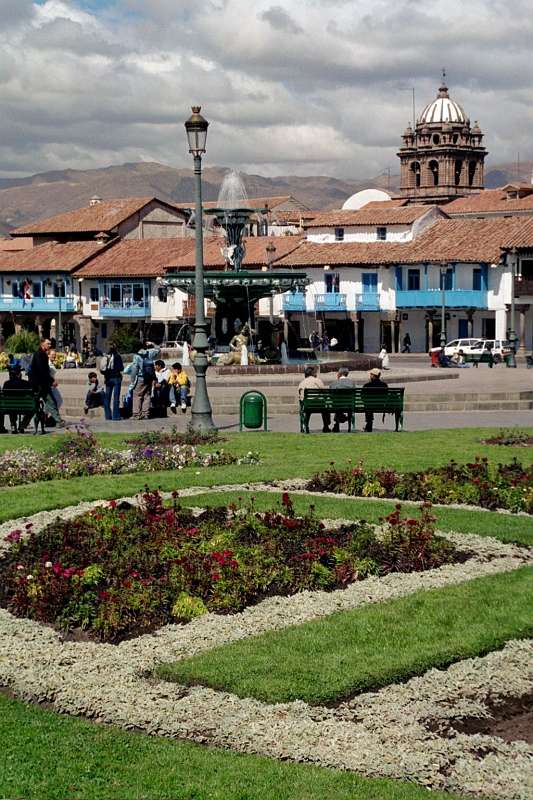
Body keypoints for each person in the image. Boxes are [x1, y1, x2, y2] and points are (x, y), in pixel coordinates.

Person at [28, 338, 65, 428]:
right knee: (51, 402)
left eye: (50, 344)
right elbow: (42, 371)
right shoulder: (41, 355)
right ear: (42, 344)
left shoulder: (39, 354)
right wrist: (51, 381)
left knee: (36, 404)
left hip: (38, 384)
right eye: (48, 344)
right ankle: (58, 421)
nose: (49, 345)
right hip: (42, 385)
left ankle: (24, 423)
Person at [126, 341, 160, 420]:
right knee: (147, 395)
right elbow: (158, 349)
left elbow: (134, 369)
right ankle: (146, 414)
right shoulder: (149, 353)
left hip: (141, 378)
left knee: (137, 395)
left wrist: (132, 380)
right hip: (149, 378)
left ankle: (136, 414)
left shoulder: (136, 356)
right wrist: (152, 343)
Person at [2, 364, 34, 433]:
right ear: (19, 374)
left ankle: (13, 425)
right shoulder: (26, 383)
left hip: (9, 407)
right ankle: (23, 425)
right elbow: (31, 395)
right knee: (33, 408)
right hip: (24, 407)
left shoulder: (6, 383)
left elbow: (4, 395)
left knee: (11, 406)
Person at [298, 365, 330, 433]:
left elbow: (300, 397)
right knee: (325, 407)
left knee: (308, 408)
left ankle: (305, 425)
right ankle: (326, 426)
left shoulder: (302, 383)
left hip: (307, 406)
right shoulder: (318, 381)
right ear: (313, 373)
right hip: (319, 405)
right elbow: (324, 392)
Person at [101, 342, 124, 421]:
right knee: (116, 397)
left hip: (108, 378)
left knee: (107, 397)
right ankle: (116, 416)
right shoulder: (118, 356)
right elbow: (121, 368)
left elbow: (103, 369)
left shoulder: (106, 356)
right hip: (116, 378)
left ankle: (108, 415)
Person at [329, 366, 356, 433]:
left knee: (338, 405)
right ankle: (347, 425)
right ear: (347, 374)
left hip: (337, 405)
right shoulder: (352, 383)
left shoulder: (334, 383)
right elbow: (354, 395)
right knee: (341, 405)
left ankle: (337, 425)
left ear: (339, 373)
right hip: (349, 405)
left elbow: (331, 396)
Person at [362, 367, 388, 432]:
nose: (370, 375)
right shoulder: (384, 385)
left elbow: (363, 397)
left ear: (373, 376)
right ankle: (368, 425)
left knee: (368, 405)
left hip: (369, 406)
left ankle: (369, 424)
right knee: (369, 405)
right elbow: (386, 396)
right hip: (381, 406)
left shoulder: (367, 385)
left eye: (371, 374)